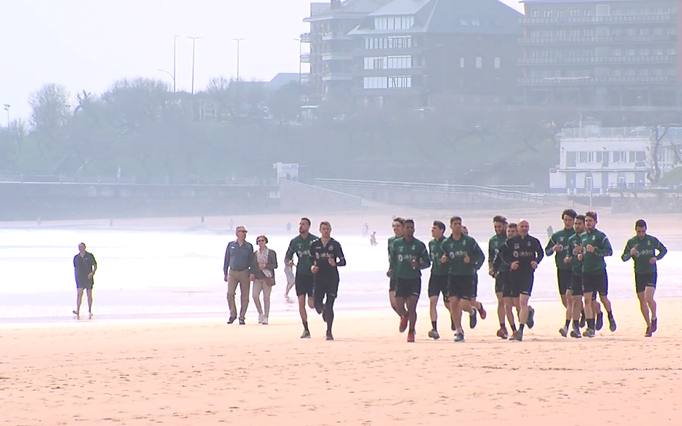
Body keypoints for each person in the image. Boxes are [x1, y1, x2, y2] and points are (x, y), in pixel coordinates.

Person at [440, 216, 485, 343]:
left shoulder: (469, 241)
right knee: (453, 302)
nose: (458, 226)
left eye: (459, 223)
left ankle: (472, 312)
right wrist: (444, 260)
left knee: (464, 304)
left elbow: (480, 256)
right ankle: (459, 330)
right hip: (453, 276)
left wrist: (472, 262)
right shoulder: (446, 243)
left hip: (467, 275)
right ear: (451, 226)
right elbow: (444, 258)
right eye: (455, 224)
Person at [621, 219, 667, 337]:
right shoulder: (632, 242)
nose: (641, 234)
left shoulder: (651, 240)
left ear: (646, 230)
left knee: (648, 297)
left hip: (651, 272)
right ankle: (648, 325)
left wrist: (656, 258)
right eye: (639, 231)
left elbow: (664, 250)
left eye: (643, 231)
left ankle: (654, 317)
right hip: (639, 273)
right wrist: (630, 253)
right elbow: (623, 258)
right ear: (635, 230)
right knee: (641, 300)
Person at [500, 219, 544, 341]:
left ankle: (520, 330)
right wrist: (510, 264)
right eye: (522, 226)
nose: (524, 228)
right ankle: (528, 315)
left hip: (527, 275)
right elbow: (502, 254)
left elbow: (540, 253)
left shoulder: (533, 241)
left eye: (526, 226)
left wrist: (536, 261)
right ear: (518, 228)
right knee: (516, 304)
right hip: (514, 276)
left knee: (523, 302)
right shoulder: (511, 242)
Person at [390, 219, 430, 343]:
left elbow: (427, 263)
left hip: (414, 280)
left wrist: (418, 264)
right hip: (400, 279)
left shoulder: (419, 245)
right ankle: (404, 316)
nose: (410, 230)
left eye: (412, 228)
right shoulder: (396, 244)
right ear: (403, 229)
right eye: (407, 227)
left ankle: (411, 331)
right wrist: (391, 271)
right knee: (399, 306)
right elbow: (393, 262)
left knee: (412, 307)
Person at [578, 211, 615, 337]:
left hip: (599, 272)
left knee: (603, 298)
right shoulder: (582, 237)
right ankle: (590, 328)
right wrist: (581, 255)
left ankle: (610, 316)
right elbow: (583, 252)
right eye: (586, 221)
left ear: (595, 222)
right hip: (586, 272)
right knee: (587, 300)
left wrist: (595, 250)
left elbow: (609, 252)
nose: (588, 223)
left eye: (590, 221)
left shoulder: (601, 236)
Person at [310, 222, 347, 341]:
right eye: (323, 229)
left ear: (330, 230)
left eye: (327, 229)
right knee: (317, 305)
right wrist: (312, 267)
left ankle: (329, 332)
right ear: (320, 230)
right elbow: (310, 260)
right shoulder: (314, 244)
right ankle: (323, 309)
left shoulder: (335, 244)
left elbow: (343, 261)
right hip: (319, 277)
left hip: (332, 278)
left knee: (330, 305)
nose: (326, 231)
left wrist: (335, 263)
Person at [545, 209, 577, 337]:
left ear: (574, 221)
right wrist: (553, 248)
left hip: (574, 270)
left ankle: (568, 326)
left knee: (570, 298)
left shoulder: (578, 235)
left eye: (570, 220)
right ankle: (581, 315)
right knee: (565, 300)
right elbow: (546, 252)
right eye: (566, 220)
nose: (568, 222)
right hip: (561, 270)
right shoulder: (557, 236)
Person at [285, 218, 319, 338]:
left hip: (313, 275)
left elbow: (320, 257)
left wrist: (317, 266)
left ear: (308, 226)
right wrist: (289, 261)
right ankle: (306, 329)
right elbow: (287, 256)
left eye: (303, 224)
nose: (300, 226)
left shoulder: (315, 240)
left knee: (311, 304)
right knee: (301, 303)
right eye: (300, 224)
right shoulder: (294, 241)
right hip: (300, 274)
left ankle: (322, 307)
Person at [224, 226, 254, 325]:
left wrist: (252, 273)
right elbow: (226, 259)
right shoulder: (231, 245)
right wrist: (225, 272)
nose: (244, 233)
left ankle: (242, 317)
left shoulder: (249, 246)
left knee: (245, 296)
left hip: (245, 272)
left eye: (245, 232)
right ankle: (233, 314)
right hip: (232, 272)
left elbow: (252, 261)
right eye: (242, 232)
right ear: (237, 233)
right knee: (230, 294)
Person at [563, 215, 587, 338]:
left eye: (579, 224)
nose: (577, 226)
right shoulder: (571, 239)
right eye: (576, 224)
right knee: (572, 298)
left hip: (588, 273)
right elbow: (569, 255)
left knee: (590, 301)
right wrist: (568, 259)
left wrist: (583, 252)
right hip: (575, 272)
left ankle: (593, 320)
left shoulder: (588, 238)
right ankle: (571, 326)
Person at [427, 220, 449, 340]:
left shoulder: (447, 242)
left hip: (446, 276)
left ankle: (454, 319)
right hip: (434, 275)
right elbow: (430, 258)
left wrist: (447, 258)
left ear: (441, 230)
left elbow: (453, 256)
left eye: (435, 228)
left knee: (448, 304)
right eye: (432, 228)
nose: (432, 230)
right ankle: (434, 328)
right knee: (432, 301)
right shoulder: (431, 243)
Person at [488, 216, 509, 338]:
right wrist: (491, 269)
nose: (497, 229)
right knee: (501, 301)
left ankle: (527, 312)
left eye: (499, 226)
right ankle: (502, 327)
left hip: (511, 273)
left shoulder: (510, 237)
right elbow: (491, 258)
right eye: (495, 227)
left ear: (505, 226)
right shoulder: (493, 241)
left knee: (512, 302)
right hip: (499, 274)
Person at [462, 225, 486, 329]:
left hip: (471, 275)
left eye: (464, 233)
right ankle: (471, 312)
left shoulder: (471, 243)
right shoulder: (451, 243)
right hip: (455, 276)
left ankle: (478, 307)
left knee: (470, 301)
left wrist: (475, 265)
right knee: (458, 302)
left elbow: (481, 256)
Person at [250, 235, 278, 325]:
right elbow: (253, 266)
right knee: (255, 295)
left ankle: (266, 316)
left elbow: (275, 265)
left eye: (262, 240)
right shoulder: (255, 253)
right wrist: (252, 274)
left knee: (266, 298)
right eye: (259, 241)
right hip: (257, 278)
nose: (260, 242)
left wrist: (265, 266)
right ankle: (260, 313)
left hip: (267, 277)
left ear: (265, 241)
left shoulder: (271, 252)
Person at [72, 242, 97, 320]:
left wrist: (92, 273)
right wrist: (76, 278)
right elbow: (75, 268)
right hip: (79, 278)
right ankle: (78, 310)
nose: (80, 248)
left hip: (88, 277)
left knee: (89, 294)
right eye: (79, 247)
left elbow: (95, 265)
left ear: (85, 247)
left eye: (82, 247)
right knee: (79, 294)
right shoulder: (76, 257)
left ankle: (90, 310)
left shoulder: (89, 256)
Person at [387, 218, 406, 319]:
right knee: (393, 303)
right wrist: (390, 269)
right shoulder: (390, 241)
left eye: (398, 226)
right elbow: (391, 257)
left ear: (403, 227)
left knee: (405, 301)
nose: (395, 228)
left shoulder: (407, 240)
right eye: (394, 226)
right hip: (394, 274)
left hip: (406, 275)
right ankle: (404, 317)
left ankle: (410, 322)